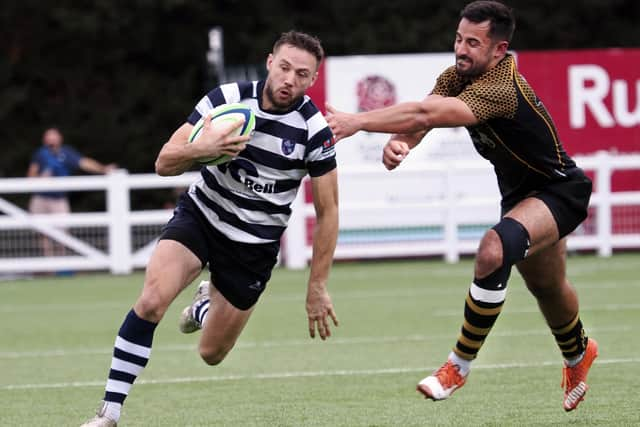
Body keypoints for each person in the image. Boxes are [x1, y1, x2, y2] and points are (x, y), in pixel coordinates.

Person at [326, 0, 597, 412]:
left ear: (498, 51)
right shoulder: (457, 75)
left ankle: (458, 365)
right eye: (458, 38)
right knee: (547, 287)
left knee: (492, 251)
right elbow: (425, 116)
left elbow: (425, 111)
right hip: (521, 197)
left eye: (473, 42)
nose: (461, 49)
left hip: (559, 191)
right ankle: (580, 355)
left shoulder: (500, 88)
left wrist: (358, 121)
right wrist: (404, 142)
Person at [81, 30, 339, 426]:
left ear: (313, 80)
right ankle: (109, 412)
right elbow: (165, 162)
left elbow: (328, 211)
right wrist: (201, 151)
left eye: (302, 74)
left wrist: (317, 285)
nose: (290, 79)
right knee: (151, 301)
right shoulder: (225, 100)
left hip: (253, 245)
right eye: (285, 67)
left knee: (211, 353)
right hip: (202, 216)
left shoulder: (314, 131)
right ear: (270, 62)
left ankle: (204, 305)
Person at [27, 127, 117, 256]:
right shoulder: (40, 154)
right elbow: (30, 175)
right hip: (41, 198)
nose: (51, 139)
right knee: (42, 233)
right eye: (49, 137)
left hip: (59, 200)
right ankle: (47, 266)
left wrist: (103, 169)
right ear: (44, 140)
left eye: (54, 136)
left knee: (62, 233)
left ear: (60, 138)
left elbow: (85, 163)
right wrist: (41, 179)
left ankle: (62, 266)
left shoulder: (67, 153)